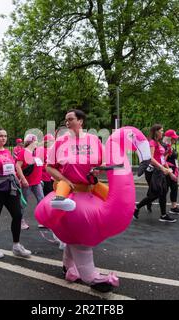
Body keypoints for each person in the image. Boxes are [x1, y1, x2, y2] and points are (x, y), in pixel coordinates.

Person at [46, 109, 117, 292]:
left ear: (81, 121)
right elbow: (49, 167)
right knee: (82, 234)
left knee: (76, 234)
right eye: (66, 120)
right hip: (69, 195)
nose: (67, 122)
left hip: (89, 193)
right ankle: (91, 277)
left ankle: (68, 266)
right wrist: (64, 180)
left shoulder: (94, 141)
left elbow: (103, 163)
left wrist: (97, 170)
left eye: (71, 119)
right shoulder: (61, 142)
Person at [0, 128, 31, 258]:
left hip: (11, 188)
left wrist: (20, 179)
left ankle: (16, 245)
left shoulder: (7, 151)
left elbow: (12, 168)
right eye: (0, 136)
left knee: (17, 215)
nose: (3, 138)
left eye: (5, 136)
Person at [133, 124, 177, 222]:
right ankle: (137, 207)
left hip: (161, 172)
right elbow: (150, 158)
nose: (162, 132)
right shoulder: (152, 143)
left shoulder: (159, 143)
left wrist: (170, 172)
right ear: (156, 132)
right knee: (155, 194)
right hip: (155, 172)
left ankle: (163, 215)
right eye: (161, 130)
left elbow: (162, 159)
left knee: (163, 192)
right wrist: (162, 168)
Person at [15, 134, 45, 229]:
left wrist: (40, 179)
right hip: (26, 182)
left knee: (41, 200)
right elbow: (18, 166)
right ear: (29, 142)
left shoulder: (37, 152)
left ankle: (42, 220)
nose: (37, 143)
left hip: (37, 182)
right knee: (24, 202)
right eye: (35, 141)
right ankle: (20, 221)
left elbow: (40, 166)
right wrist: (23, 179)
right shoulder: (23, 152)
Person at [163, 129, 179, 215]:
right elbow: (163, 160)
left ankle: (174, 207)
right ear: (169, 138)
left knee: (174, 189)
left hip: (173, 171)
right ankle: (148, 202)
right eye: (173, 138)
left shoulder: (170, 146)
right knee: (163, 191)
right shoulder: (166, 147)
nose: (175, 140)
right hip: (168, 172)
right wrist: (170, 173)